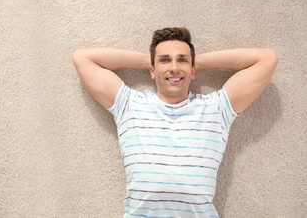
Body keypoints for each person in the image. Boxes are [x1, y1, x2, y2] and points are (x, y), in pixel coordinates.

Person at [72, 27, 278, 218]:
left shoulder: (216, 108)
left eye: (182, 60)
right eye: (164, 60)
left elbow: (267, 59)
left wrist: (196, 62)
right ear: (152, 70)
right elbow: (82, 58)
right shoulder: (129, 105)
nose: (174, 68)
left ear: (193, 70)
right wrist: (149, 61)